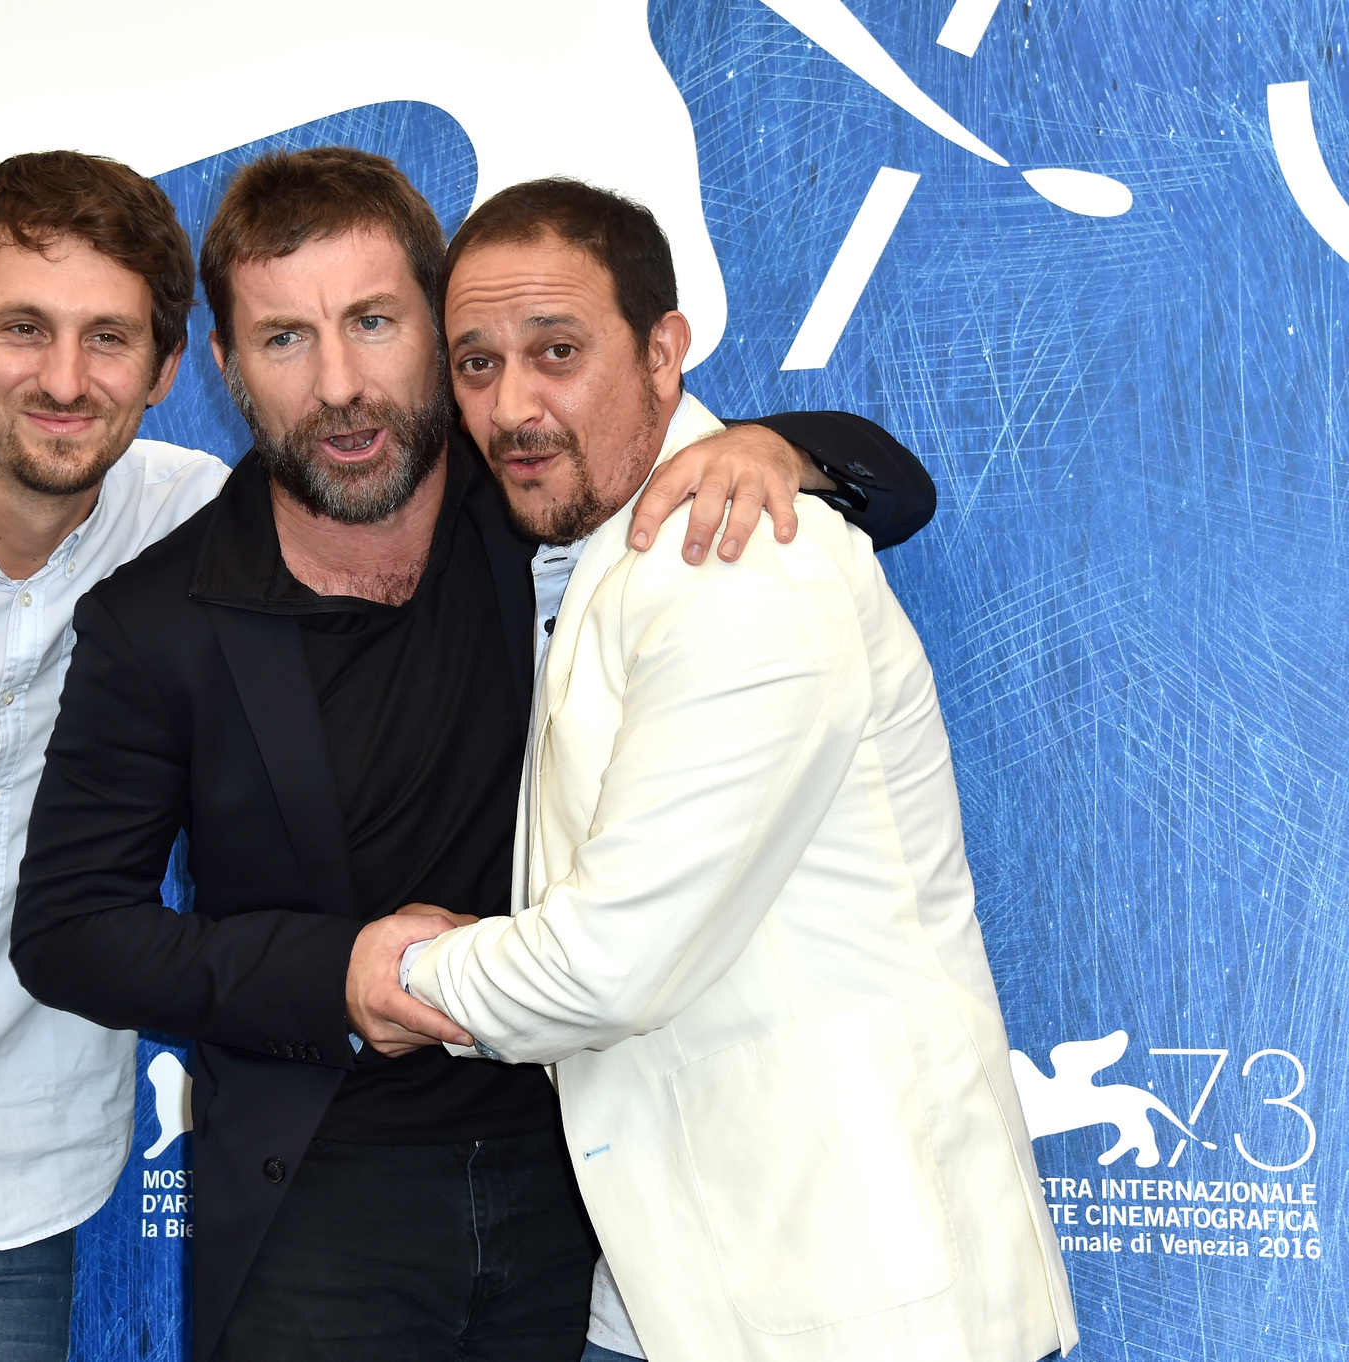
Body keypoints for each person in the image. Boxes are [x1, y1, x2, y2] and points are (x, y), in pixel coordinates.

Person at [0, 148, 832, 1361]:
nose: (65, 380)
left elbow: (637, 440)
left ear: (167, 367)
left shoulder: (467, 509)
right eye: (285, 338)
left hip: (489, 1178)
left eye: (108, 338)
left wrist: (792, 453)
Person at [10, 147, 940, 1362]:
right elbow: (69, 929)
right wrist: (331, 973)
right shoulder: (156, 621)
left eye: (375, 322)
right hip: (320, 1193)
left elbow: (892, 488)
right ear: (228, 368)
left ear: (440, 335)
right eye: (285, 340)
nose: (340, 385)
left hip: (591, 1172)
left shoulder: (542, 504)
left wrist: (779, 449)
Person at [385, 179, 1078, 1362]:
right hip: (675, 1285)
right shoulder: (596, 539)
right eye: (476, 364)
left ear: (663, 353)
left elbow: (608, 965)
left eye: (556, 351)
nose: (512, 406)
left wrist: (394, 971)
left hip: (848, 1301)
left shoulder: (736, 555)